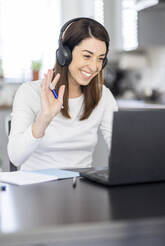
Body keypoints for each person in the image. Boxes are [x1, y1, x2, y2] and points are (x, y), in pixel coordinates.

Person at [7, 17, 118, 171]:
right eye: (87, 56)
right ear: (65, 54)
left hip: (81, 187)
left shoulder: (103, 96)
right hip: (36, 188)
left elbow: (121, 149)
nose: (94, 67)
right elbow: (15, 157)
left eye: (100, 59)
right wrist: (44, 118)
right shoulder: (29, 92)